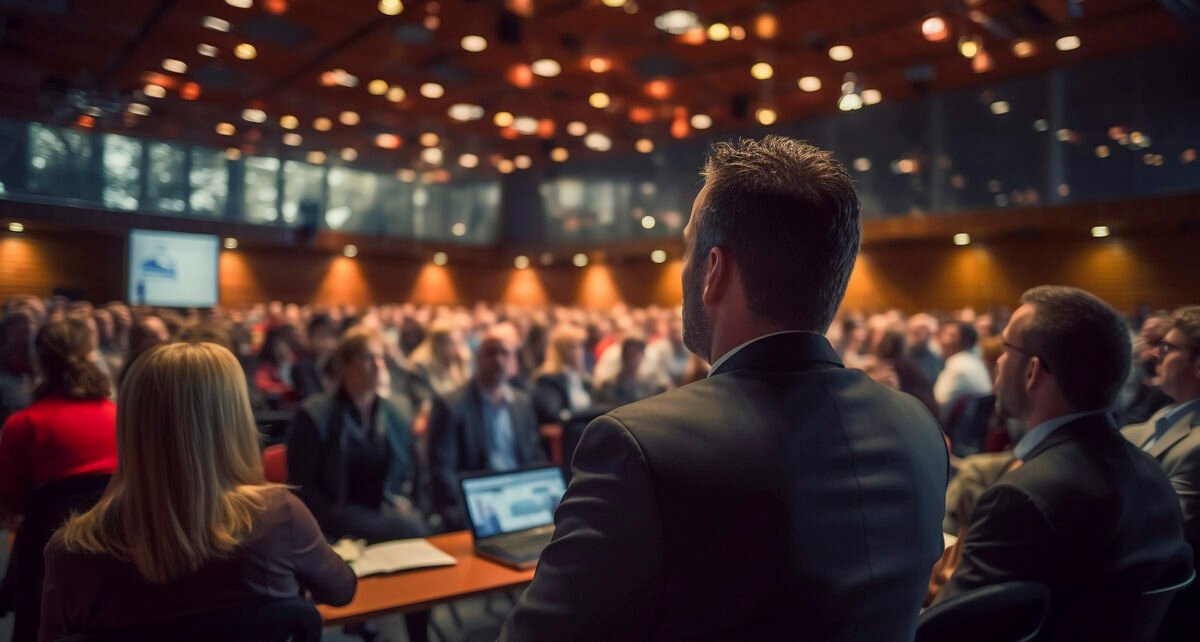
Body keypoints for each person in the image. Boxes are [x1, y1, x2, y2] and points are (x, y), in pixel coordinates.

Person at [501, 136, 948, 641]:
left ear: (714, 271)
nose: (684, 267)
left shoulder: (640, 449)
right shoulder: (918, 429)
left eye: (688, 247)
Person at [38, 342, 355, 641]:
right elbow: (342, 591)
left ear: (130, 423)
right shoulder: (277, 517)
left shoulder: (71, 553)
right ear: (234, 421)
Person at [931, 287, 1191, 628]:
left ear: (1032, 371)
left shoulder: (1020, 498)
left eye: (1006, 348)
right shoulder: (1153, 476)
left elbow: (946, 631)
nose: (996, 360)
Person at [0, 318, 118, 642]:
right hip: (118, 565)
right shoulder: (119, 416)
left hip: (45, 576)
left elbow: (10, 503)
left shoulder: (24, 425)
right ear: (92, 356)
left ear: (38, 361)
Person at [287, 325, 426, 543]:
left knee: (416, 522)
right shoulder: (314, 415)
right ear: (345, 365)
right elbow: (305, 488)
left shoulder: (398, 411)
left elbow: (412, 472)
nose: (379, 365)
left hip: (384, 507)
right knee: (409, 528)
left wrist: (404, 500)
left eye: (380, 357)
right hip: (335, 513)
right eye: (368, 358)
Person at [428, 324, 544, 530]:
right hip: (477, 504)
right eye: (491, 353)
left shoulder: (522, 403)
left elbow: (533, 457)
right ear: (478, 359)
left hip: (518, 500)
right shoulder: (451, 405)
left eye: (505, 353)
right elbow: (442, 472)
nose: (498, 360)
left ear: (514, 363)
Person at [531, 324, 593, 425]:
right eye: (572, 347)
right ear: (559, 351)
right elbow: (554, 414)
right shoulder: (548, 379)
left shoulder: (584, 378)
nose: (578, 352)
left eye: (580, 346)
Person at [932, 320, 992, 424]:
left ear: (965, 342)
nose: (942, 340)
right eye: (943, 333)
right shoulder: (976, 362)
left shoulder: (957, 366)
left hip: (956, 433)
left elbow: (939, 407)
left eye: (951, 335)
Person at [595, 336, 662, 406]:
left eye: (634, 354)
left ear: (642, 356)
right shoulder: (609, 384)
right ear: (623, 355)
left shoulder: (648, 384)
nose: (630, 359)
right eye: (628, 354)